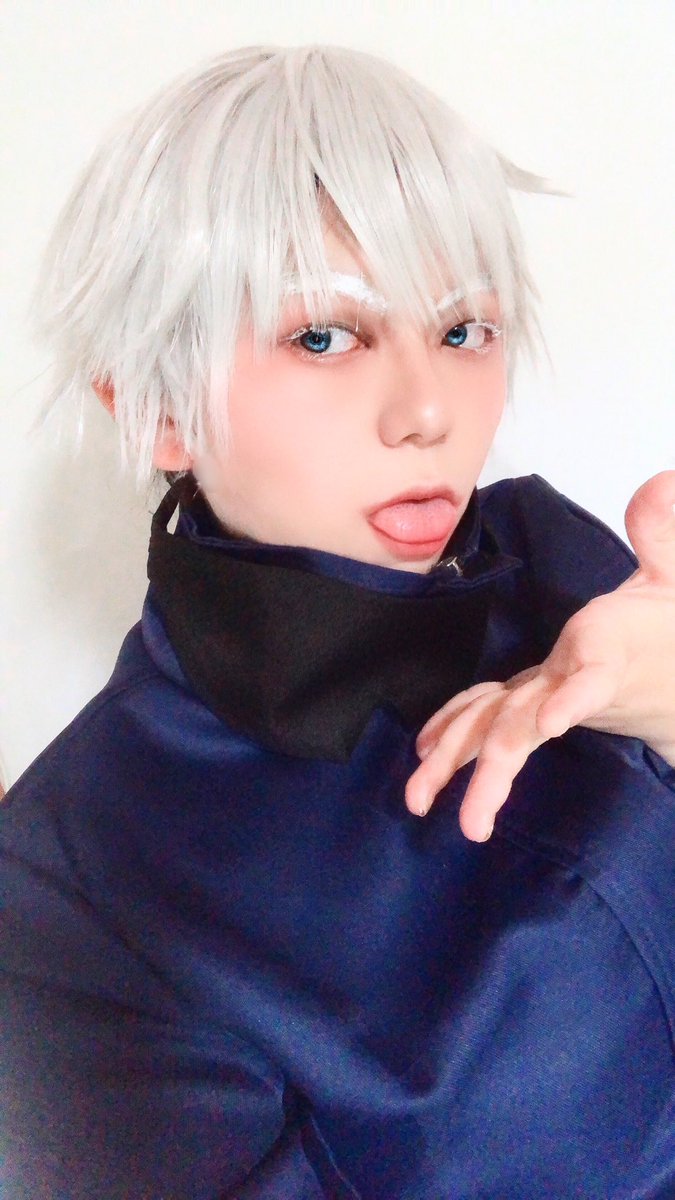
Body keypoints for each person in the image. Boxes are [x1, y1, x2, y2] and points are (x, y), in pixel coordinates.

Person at [1, 43, 674, 1199]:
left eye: (464, 332)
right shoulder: (72, 887)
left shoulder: (567, 566)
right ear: (156, 408)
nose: (428, 411)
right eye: (324, 336)